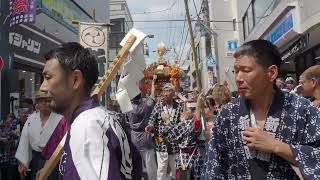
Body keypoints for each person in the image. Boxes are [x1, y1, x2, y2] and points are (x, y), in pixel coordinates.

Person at [204, 39, 320, 179]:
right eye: (236, 71)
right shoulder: (228, 114)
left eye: (246, 70)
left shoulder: (302, 109)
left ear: (271, 73)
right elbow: (213, 167)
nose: (238, 78)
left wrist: (277, 147)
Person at [38, 42, 142, 179]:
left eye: (48, 78)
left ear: (75, 79)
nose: (42, 88)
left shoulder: (87, 126)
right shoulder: (105, 117)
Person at [15, 91, 62, 180]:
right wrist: (23, 162)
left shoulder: (60, 119)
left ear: (52, 102)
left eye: (47, 100)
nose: (44, 103)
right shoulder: (31, 119)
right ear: (37, 103)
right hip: (36, 159)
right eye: (41, 101)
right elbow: (25, 141)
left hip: (54, 161)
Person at [146, 83, 183, 180]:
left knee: (175, 169)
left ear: (173, 94)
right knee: (161, 169)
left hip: (174, 142)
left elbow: (181, 125)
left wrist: (169, 122)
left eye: (168, 91)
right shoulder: (158, 106)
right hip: (160, 141)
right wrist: (150, 126)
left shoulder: (178, 107)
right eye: (165, 91)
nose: (166, 94)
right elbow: (152, 119)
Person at [126, 75, 157, 180]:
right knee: (150, 164)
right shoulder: (146, 106)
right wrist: (153, 82)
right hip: (145, 137)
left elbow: (125, 121)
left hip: (134, 137)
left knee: (135, 164)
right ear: (140, 98)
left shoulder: (128, 108)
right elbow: (153, 96)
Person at [0, 113, 20, 180]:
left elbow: (18, 141)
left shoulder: (17, 125)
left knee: (13, 174)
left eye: (12, 118)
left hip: (13, 157)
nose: (10, 119)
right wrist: (2, 139)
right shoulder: (1, 125)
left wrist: (8, 141)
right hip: (3, 156)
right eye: (9, 117)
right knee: (4, 174)